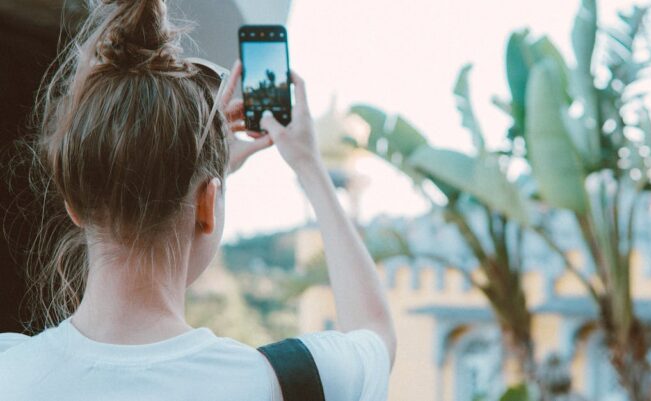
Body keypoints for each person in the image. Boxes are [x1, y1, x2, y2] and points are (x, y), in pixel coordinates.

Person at [0, 0, 396, 400]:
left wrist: (205, 170)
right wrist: (309, 165)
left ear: (74, 202)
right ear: (208, 205)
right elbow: (377, 334)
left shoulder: (9, 369)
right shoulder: (289, 379)